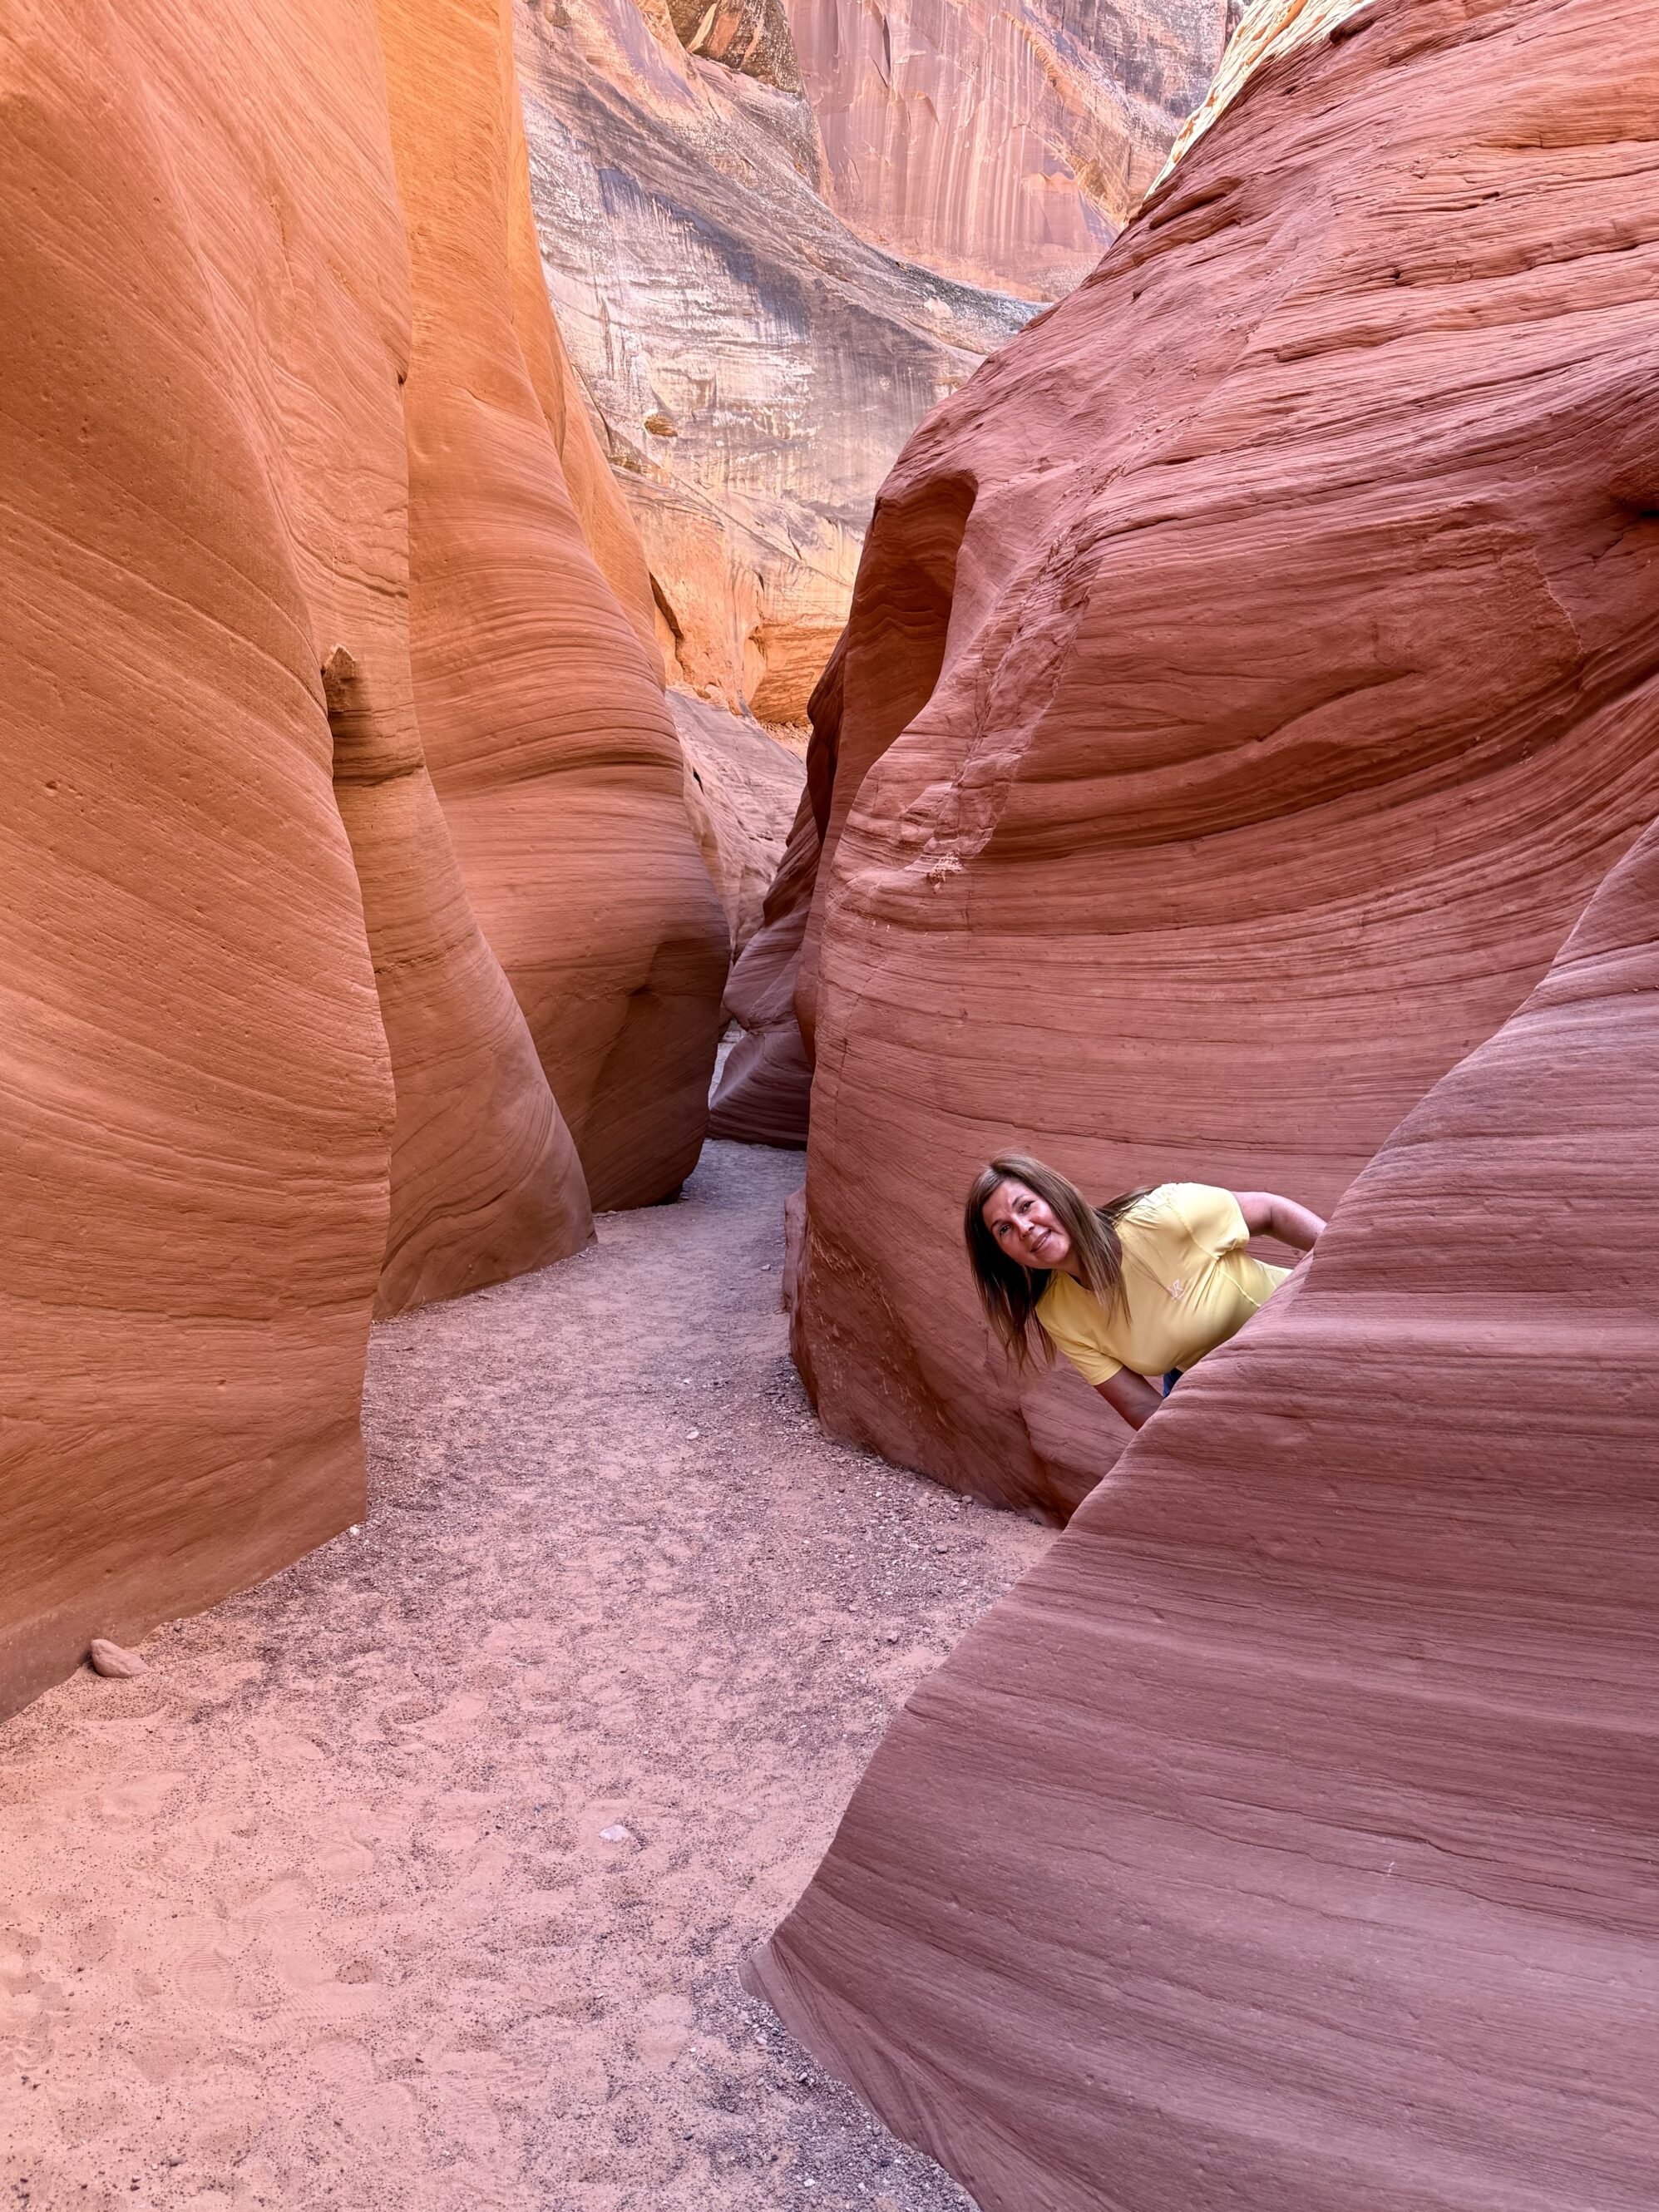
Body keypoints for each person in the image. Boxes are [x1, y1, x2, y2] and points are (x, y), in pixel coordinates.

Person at [964, 1153, 1326, 1431]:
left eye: (1026, 1206)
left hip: (1299, 1325)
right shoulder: (1058, 1312)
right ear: (1003, 1254)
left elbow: (1270, 1211)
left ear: (1056, 1196)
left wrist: (1348, 1262)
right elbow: (1140, 1408)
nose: (1024, 1227)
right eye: (1004, 1230)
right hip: (1218, 1388)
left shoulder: (1161, 1216)